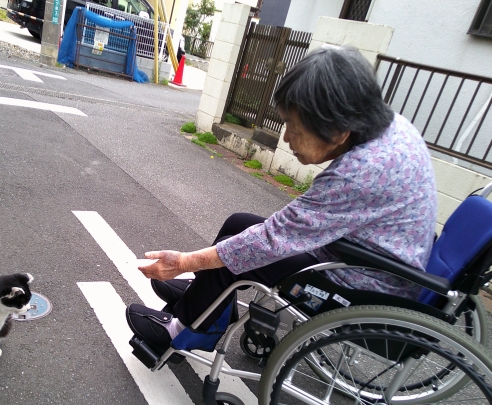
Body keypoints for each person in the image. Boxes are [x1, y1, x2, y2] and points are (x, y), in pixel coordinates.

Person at [126, 45, 437, 351]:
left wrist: (183, 262)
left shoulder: (362, 171)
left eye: (294, 128)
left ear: (340, 130)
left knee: (237, 255)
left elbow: (269, 240)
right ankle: (210, 303)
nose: (286, 138)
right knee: (238, 224)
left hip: (360, 288)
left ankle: (183, 331)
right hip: (369, 262)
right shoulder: (389, 127)